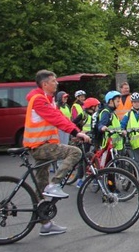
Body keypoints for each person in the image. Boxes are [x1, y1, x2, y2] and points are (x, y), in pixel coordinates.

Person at [22, 70, 91, 236]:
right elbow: (55, 118)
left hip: (42, 146)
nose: (57, 83)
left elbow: (61, 117)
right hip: (41, 146)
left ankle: (45, 224)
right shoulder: (39, 100)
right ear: (45, 84)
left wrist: (75, 131)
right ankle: (56, 184)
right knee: (75, 153)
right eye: (53, 81)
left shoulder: (47, 99)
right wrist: (76, 133)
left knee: (40, 187)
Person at [71, 96, 100, 188]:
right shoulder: (83, 115)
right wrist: (79, 132)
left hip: (94, 139)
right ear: (92, 107)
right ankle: (80, 179)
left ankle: (95, 177)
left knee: (95, 158)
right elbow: (73, 124)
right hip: (85, 139)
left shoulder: (97, 115)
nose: (98, 108)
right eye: (97, 106)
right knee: (83, 159)